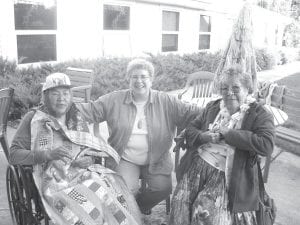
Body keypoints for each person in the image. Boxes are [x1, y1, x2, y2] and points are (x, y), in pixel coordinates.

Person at [9, 73, 142, 225]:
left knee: (110, 189)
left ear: (71, 96)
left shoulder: (76, 117)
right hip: (53, 182)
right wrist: (48, 154)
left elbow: (88, 149)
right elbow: (14, 155)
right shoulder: (34, 119)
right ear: (45, 96)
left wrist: (89, 159)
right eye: (55, 94)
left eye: (66, 93)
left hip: (80, 174)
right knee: (86, 206)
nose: (61, 98)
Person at [76, 58, 198, 214]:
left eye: (143, 77)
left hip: (157, 158)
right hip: (125, 157)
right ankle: (130, 209)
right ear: (128, 79)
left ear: (151, 80)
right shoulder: (114, 99)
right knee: (125, 189)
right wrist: (59, 107)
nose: (139, 81)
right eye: (134, 77)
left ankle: (137, 208)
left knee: (163, 188)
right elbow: (89, 110)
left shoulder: (166, 101)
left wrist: (218, 108)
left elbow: (192, 112)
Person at [169, 66, 275, 225]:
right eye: (224, 88)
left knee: (205, 213)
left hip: (228, 172)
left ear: (247, 90)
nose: (229, 92)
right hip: (198, 165)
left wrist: (228, 133)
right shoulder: (213, 106)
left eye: (236, 88)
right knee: (179, 202)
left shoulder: (259, 113)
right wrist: (203, 136)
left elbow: (266, 145)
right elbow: (191, 128)